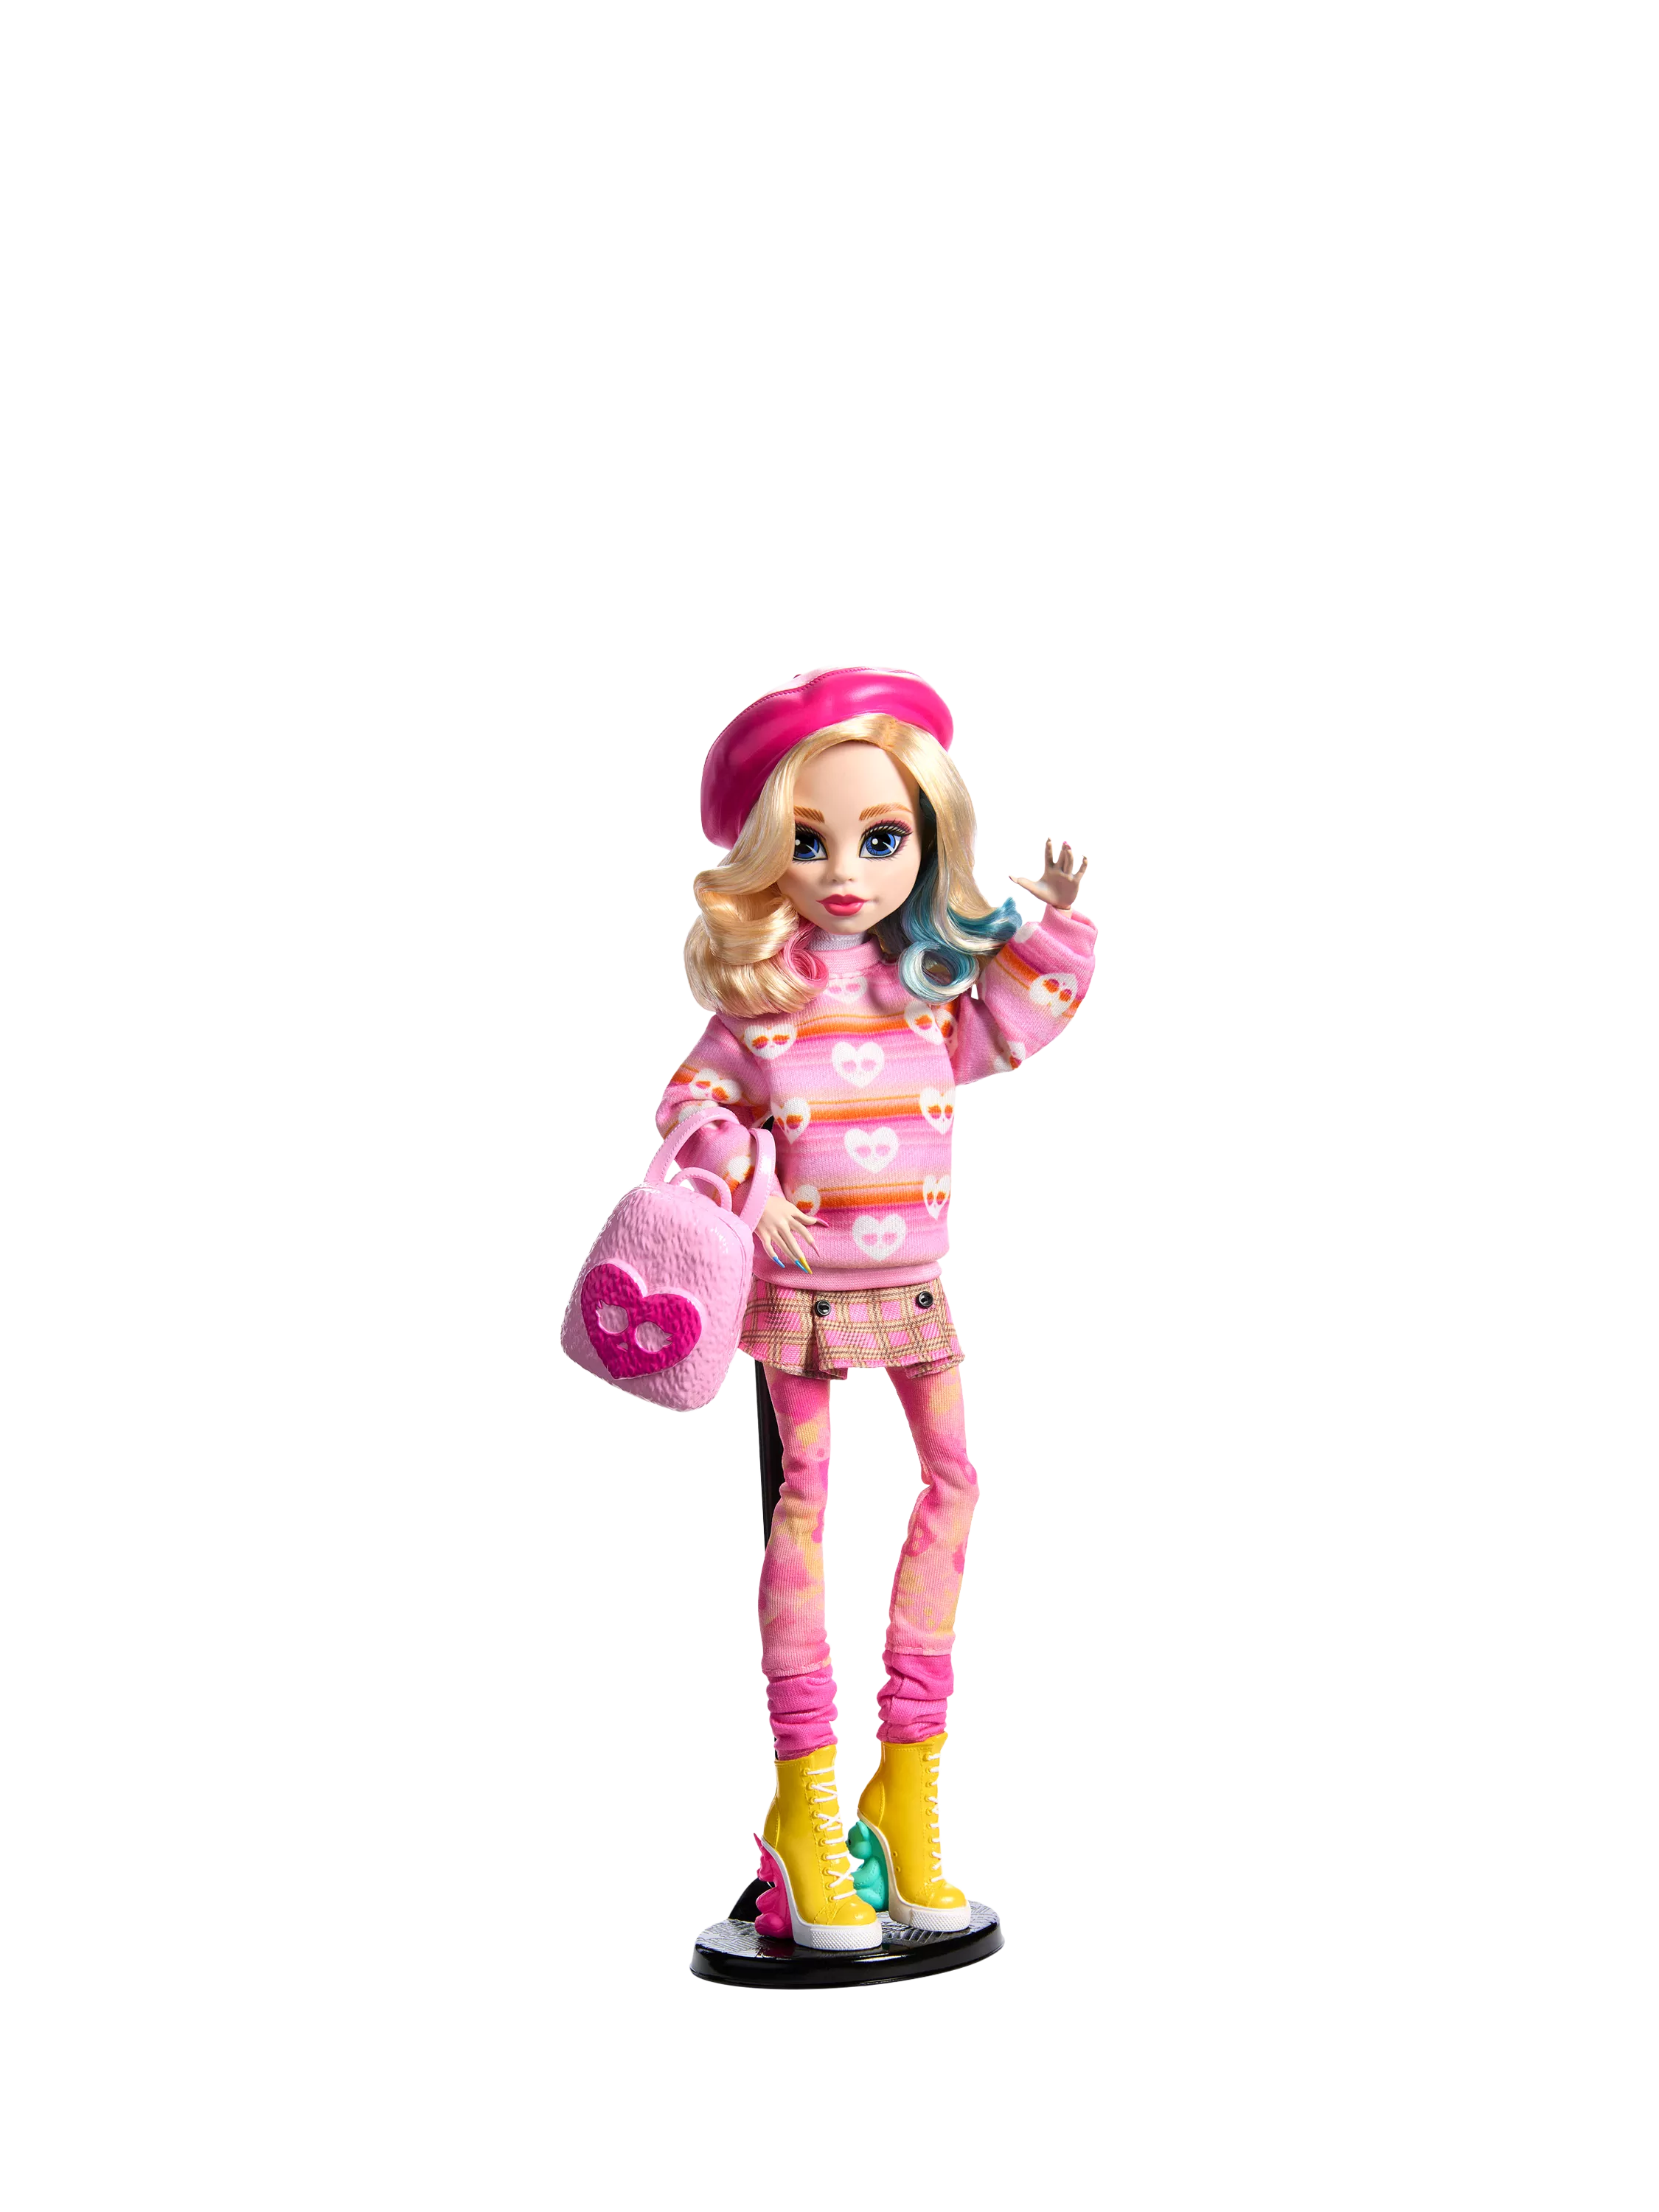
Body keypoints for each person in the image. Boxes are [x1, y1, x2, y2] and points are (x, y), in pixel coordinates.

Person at [657, 667, 1094, 1950]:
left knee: (953, 1481)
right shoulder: (761, 1006)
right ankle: (804, 1805)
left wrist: (1048, 922)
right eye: (809, 843)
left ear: (928, 839)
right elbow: (687, 1105)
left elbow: (1018, 1023)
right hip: (798, 1293)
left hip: (911, 1280)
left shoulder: (926, 991)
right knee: (802, 1502)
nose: (845, 871)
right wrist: (747, 1187)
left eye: (880, 838)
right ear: (763, 854)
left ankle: (906, 1785)